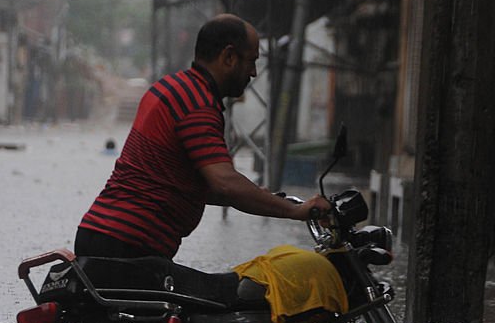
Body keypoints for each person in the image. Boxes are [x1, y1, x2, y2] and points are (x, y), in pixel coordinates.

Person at [74, 14, 330, 259]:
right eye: (251, 61)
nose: (253, 72)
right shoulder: (197, 104)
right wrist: (296, 211)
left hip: (100, 233)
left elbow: (179, 185)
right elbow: (226, 184)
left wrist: (260, 197)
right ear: (228, 57)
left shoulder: (170, 87)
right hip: (130, 244)